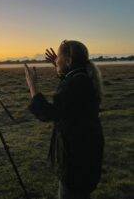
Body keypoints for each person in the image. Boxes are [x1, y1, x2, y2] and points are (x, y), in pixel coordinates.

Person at [25, 40, 104, 199]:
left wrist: (32, 86)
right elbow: (68, 99)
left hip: (76, 157)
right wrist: (57, 63)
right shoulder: (82, 78)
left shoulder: (75, 84)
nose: (57, 61)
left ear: (68, 61)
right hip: (85, 151)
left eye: (59, 57)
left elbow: (48, 113)